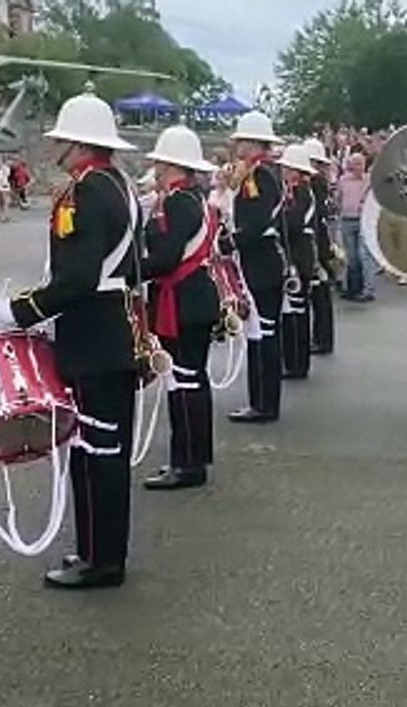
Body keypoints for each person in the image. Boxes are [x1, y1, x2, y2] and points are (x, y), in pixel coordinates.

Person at [0, 89, 141, 589]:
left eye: (61, 140)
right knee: (103, 452)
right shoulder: (120, 185)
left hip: (93, 336)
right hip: (116, 330)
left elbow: (76, 280)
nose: (55, 148)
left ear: (76, 143)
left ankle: (101, 560)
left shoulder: (86, 191)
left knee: (97, 455)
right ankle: (99, 550)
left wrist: (20, 311)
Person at [139, 125, 221, 490]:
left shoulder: (176, 202)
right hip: (193, 296)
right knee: (192, 380)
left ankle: (185, 463)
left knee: (183, 383)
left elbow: (168, 255)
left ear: (171, 165)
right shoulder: (193, 198)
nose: (156, 169)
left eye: (160, 163)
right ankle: (194, 457)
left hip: (183, 299)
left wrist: (131, 272)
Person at [226, 111, 285, 424]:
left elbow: (257, 221)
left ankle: (263, 403)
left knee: (263, 334)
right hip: (261, 258)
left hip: (260, 260)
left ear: (252, 142)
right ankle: (261, 400)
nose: (237, 146)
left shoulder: (259, 174)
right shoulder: (260, 171)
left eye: (241, 141)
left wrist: (230, 242)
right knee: (261, 333)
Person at [277, 144, 317, 380]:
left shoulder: (302, 192)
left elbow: (293, 223)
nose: (283, 171)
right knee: (292, 310)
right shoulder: (293, 191)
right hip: (296, 253)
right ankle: (292, 360)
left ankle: (297, 363)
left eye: (287, 168)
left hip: (300, 255)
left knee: (297, 310)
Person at [303, 138, 337, 355]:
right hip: (322, 240)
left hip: (317, 243)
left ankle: (322, 339)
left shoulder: (314, 185)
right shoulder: (320, 184)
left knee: (319, 295)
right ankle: (322, 338)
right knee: (321, 295)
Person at [335, 153, 374, 301]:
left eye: (360, 163)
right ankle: (353, 288)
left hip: (363, 220)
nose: (357, 167)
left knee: (364, 255)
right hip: (347, 219)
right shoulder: (343, 180)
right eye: (354, 163)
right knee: (351, 256)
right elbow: (338, 198)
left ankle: (368, 289)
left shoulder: (369, 180)